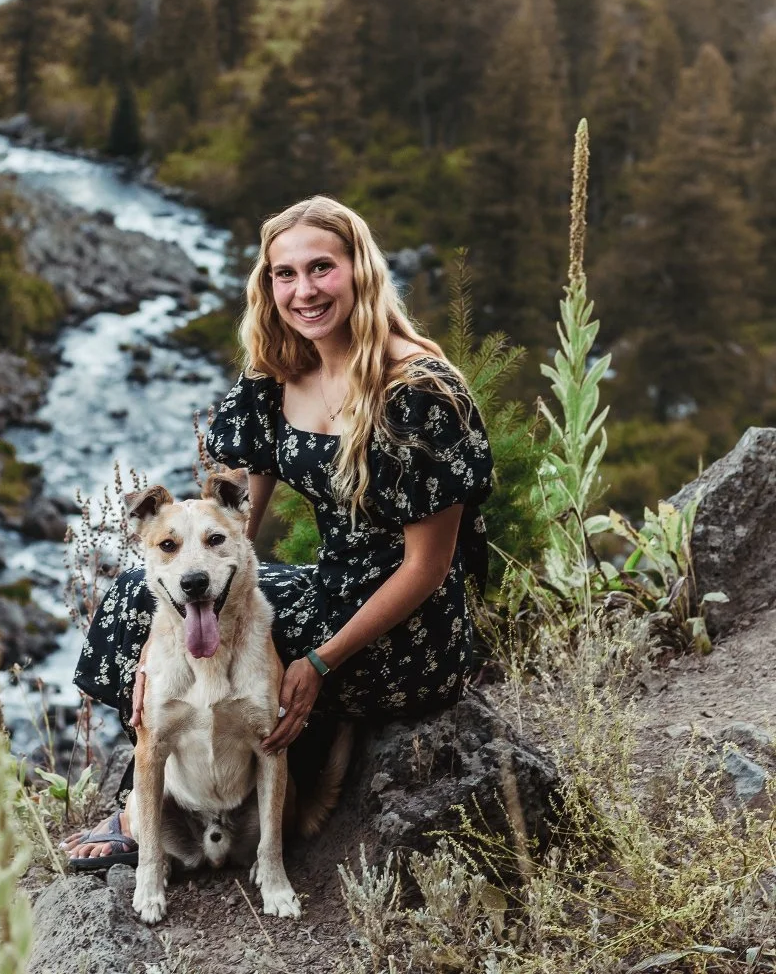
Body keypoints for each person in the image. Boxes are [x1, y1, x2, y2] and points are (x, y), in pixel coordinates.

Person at [63, 195, 493, 867]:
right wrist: (169, 633)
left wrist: (319, 661)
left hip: (414, 623)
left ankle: (162, 811)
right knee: (133, 600)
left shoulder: (419, 389)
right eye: (283, 274)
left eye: (321, 267)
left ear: (360, 270)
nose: (303, 290)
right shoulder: (279, 372)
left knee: (255, 639)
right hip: (332, 585)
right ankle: (155, 801)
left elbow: (428, 568)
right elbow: (229, 528)